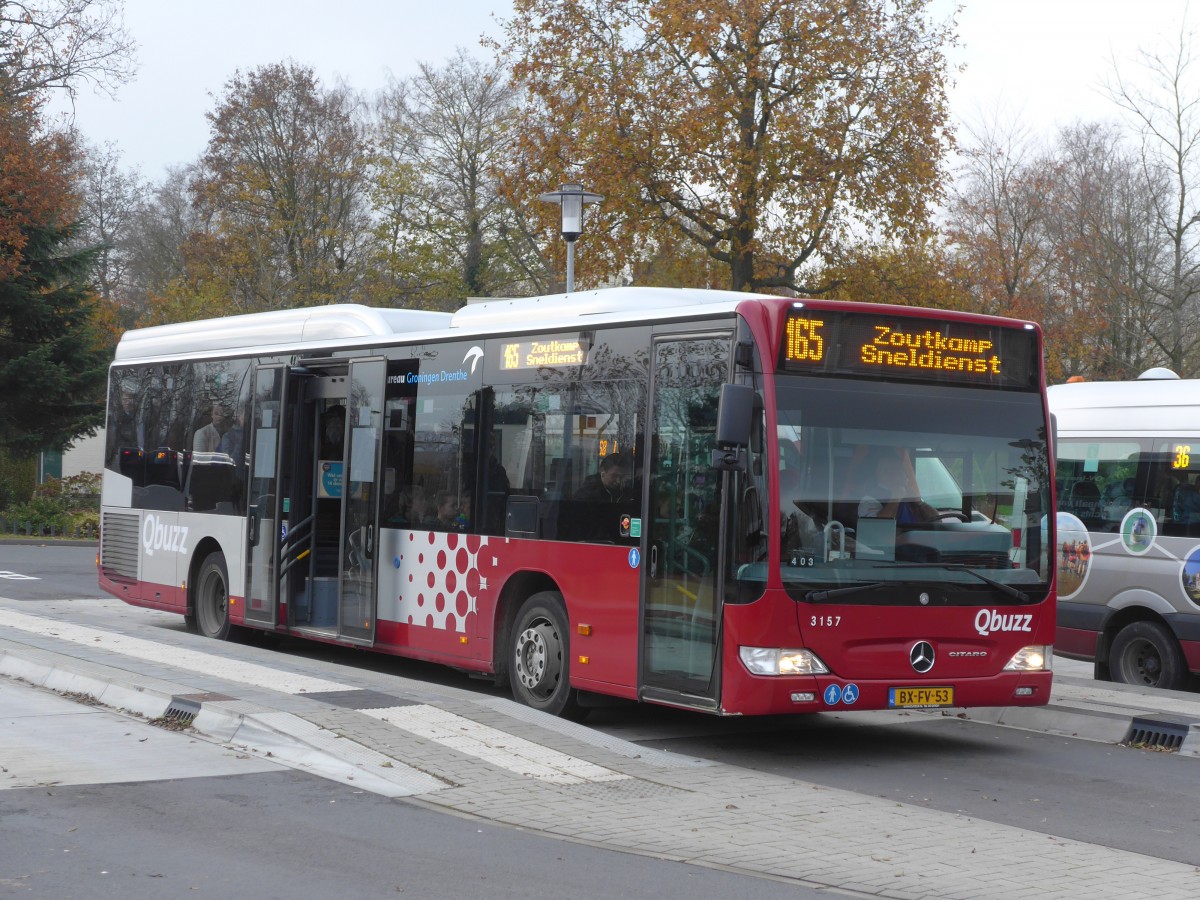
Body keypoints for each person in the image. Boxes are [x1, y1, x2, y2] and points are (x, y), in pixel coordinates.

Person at [857, 450, 935, 524]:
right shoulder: (869, 500)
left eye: (899, 470)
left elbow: (935, 519)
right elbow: (879, 526)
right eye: (887, 471)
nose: (895, 474)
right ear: (878, 475)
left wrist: (918, 503)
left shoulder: (909, 496)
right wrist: (895, 499)